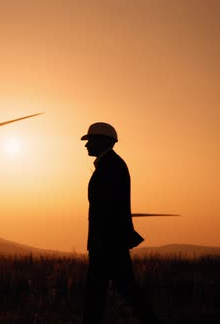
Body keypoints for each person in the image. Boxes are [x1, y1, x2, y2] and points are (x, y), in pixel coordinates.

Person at [81, 122, 159, 324]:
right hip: (110, 242)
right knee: (110, 291)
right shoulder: (111, 165)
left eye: (90, 141)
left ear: (102, 141)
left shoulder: (111, 167)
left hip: (108, 243)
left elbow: (108, 208)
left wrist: (102, 242)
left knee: (101, 293)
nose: (86, 145)